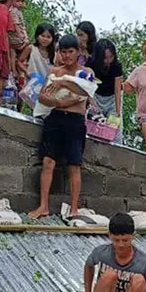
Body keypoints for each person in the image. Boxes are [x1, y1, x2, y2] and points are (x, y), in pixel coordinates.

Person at [28, 35, 94, 220]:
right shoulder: (54, 71)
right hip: (55, 118)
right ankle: (43, 206)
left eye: (70, 52)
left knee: (74, 165)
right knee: (48, 162)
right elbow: (42, 97)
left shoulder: (85, 72)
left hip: (75, 121)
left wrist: (64, 83)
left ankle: (74, 209)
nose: (67, 56)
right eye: (63, 52)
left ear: (78, 52)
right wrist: (60, 102)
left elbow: (85, 92)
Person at [87, 38, 124, 143]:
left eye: (111, 57)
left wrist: (117, 112)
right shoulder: (90, 64)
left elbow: (117, 90)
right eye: (105, 58)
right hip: (96, 96)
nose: (108, 61)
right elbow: (87, 86)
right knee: (94, 129)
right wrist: (92, 103)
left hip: (112, 99)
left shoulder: (117, 66)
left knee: (114, 131)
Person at [1, 0, 31, 79]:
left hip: (15, 39)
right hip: (15, 37)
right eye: (17, 1)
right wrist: (22, 36)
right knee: (27, 48)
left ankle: (15, 69)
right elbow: (16, 25)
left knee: (13, 51)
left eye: (22, 1)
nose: (20, 4)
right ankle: (18, 66)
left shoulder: (17, 12)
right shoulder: (13, 11)